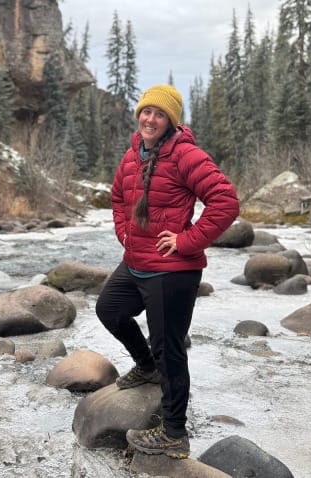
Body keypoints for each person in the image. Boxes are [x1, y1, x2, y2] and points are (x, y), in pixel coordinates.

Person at [95, 84, 239, 459]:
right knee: (109, 310)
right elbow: (116, 198)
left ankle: (175, 432)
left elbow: (225, 202)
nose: (150, 119)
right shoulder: (131, 156)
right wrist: (123, 232)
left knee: (169, 350)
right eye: (146, 112)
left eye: (159, 114)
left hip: (173, 271)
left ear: (170, 121)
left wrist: (187, 240)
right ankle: (145, 368)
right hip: (137, 261)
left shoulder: (186, 155)